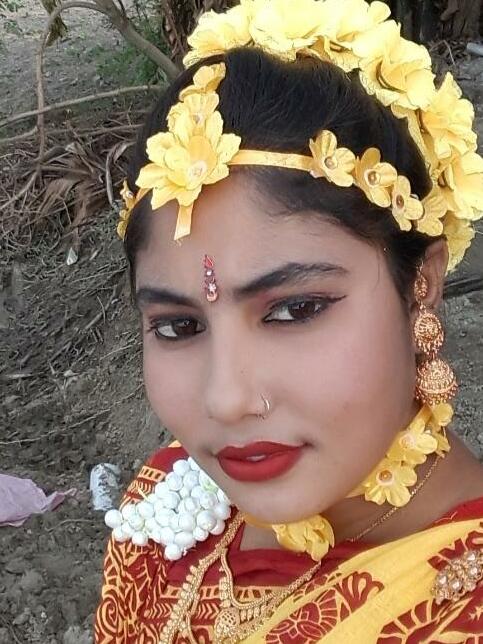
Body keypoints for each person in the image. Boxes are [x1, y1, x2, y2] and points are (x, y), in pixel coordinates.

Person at [95, 1, 483, 641]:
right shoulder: (167, 505)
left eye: (295, 311)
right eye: (178, 326)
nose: (227, 400)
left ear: (422, 284)